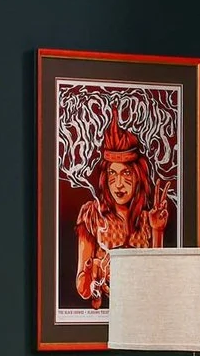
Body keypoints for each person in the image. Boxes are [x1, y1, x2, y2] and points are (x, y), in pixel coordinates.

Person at [72, 120, 171, 308]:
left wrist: (157, 230)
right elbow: (82, 287)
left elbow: (157, 281)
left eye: (126, 174)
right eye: (112, 174)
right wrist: (95, 271)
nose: (118, 184)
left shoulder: (147, 218)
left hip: (140, 313)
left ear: (137, 176)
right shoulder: (92, 214)